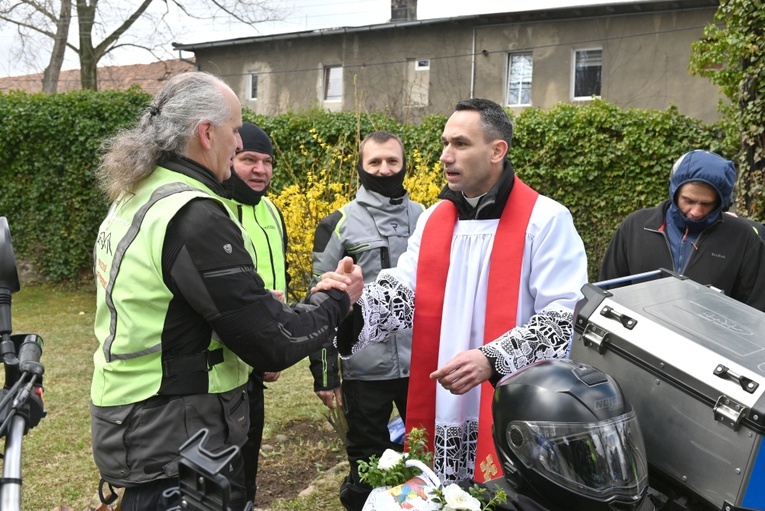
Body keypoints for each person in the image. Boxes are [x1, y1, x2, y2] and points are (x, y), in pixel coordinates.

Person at [90, 71, 363, 511]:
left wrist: (250, 303)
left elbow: (161, 301)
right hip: (177, 439)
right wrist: (337, 298)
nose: (238, 144)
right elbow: (274, 343)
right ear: (206, 132)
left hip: (137, 421)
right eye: (235, 130)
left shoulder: (138, 193)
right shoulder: (193, 212)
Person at [339, 98, 588, 485]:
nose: (445, 156)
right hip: (444, 397)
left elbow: (564, 314)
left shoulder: (545, 219)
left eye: (459, 144)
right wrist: (353, 303)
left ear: (497, 151)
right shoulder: (435, 219)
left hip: (513, 396)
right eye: (444, 143)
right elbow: (406, 293)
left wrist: (492, 358)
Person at [307, 130, 425, 510]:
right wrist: (325, 374)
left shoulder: (428, 217)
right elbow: (319, 301)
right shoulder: (338, 223)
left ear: (404, 164)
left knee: (425, 458)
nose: (384, 169)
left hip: (422, 367)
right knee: (367, 465)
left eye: (392, 160)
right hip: (363, 369)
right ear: (361, 166)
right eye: (375, 162)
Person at [600, 149, 765, 311]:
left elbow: (756, 311)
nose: (696, 212)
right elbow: (607, 292)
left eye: (706, 204)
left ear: (721, 202)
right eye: (688, 200)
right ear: (674, 191)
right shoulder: (635, 227)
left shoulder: (744, 239)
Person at [221, 121, 288, 505]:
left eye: (267, 161)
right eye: (249, 160)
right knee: (223, 470)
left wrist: (273, 343)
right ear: (230, 158)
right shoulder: (212, 210)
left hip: (258, 362)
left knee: (248, 465)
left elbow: (281, 275)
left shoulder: (272, 212)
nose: (260, 170)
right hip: (222, 371)